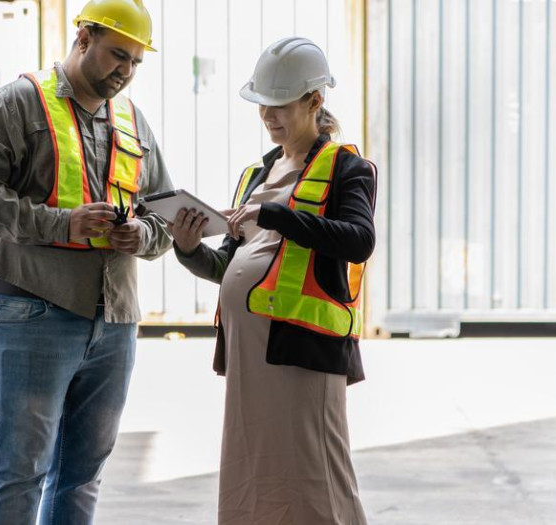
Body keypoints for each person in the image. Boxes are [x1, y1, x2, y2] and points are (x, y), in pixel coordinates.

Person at [0, 0, 173, 523]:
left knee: (83, 473)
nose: (126, 71)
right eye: (118, 55)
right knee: (20, 468)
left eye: (136, 61)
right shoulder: (18, 104)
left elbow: (164, 213)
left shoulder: (131, 120)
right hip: (29, 311)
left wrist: (139, 234)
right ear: (84, 38)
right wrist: (62, 224)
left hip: (113, 320)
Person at [168, 37, 376, 524]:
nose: (269, 117)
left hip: (303, 351)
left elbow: (358, 240)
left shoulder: (347, 167)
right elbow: (227, 267)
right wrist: (188, 247)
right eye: (263, 106)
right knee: (254, 475)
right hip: (249, 351)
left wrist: (278, 216)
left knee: (316, 478)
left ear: (315, 101)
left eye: (280, 106)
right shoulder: (256, 174)